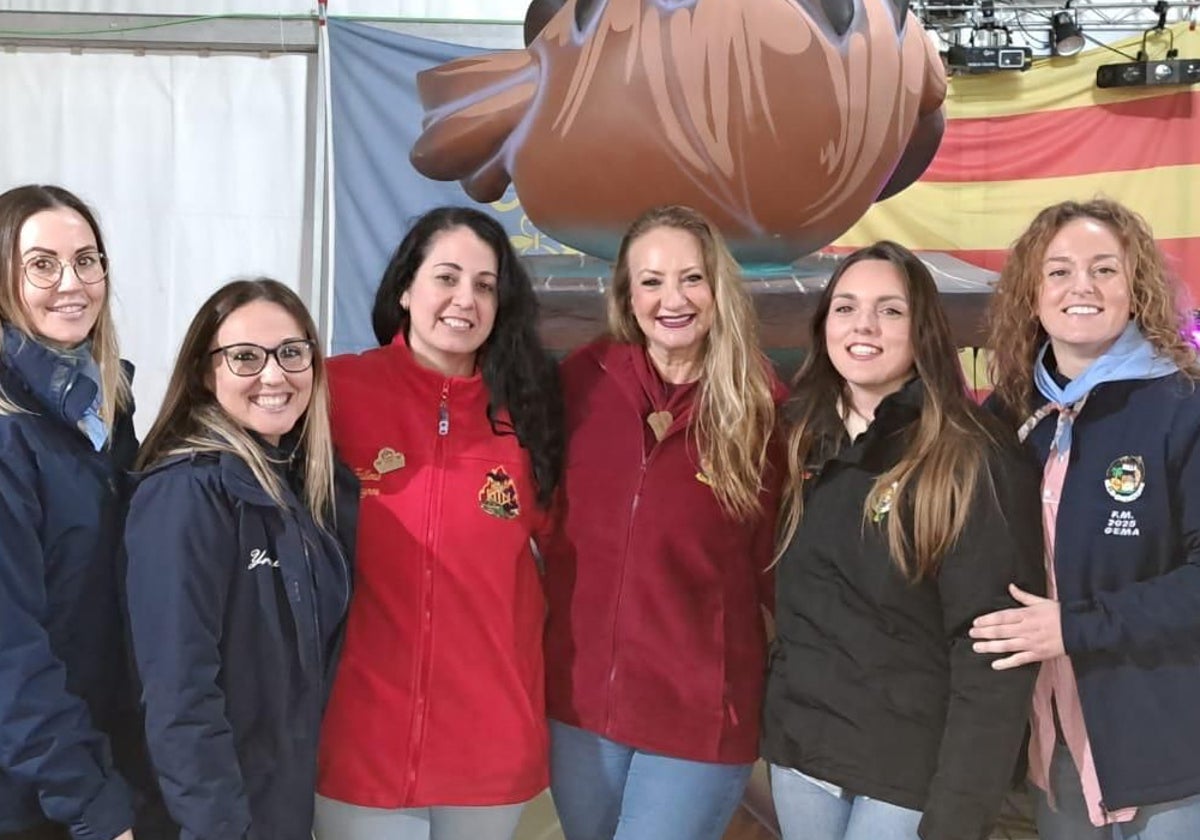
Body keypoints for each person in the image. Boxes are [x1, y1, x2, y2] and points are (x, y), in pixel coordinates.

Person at [762, 241, 1044, 840]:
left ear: (924, 331)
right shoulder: (795, 440)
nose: (864, 324)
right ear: (824, 325)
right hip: (803, 758)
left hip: (908, 774)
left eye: (890, 310)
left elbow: (994, 654)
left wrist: (960, 812)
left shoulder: (970, 456)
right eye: (846, 307)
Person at [314, 207, 564, 840]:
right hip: (359, 738)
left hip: (490, 744)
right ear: (405, 288)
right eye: (446, 277)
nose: (465, 299)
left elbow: (575, 558)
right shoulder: (331, 393)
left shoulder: (530, 413)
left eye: (485, 285)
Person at [540, 204, 781, 840]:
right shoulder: (578, 386)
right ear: (626, 294)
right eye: (651, 281)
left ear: (717, 288)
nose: (672, 298)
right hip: (580, 710)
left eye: (691, 278)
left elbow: (782, 569)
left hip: (698, 720)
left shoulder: (762, 408)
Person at [971, 199, 1200, 839]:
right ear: (1033, 293)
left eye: (1105, 270)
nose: (1083, 288)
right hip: (1055, 743)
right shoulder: (1009, 415)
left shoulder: (1181, 406)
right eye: (1060, 271)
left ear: (1136, 289)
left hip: (1165, 741)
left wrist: (1074, 626)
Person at [124, 278, 355, 840]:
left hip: (282, 805)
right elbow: (180, 696)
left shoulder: (301, 485)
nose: (273, 375)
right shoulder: (185, 495)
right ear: (207, 373)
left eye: (291, 353)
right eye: (245, 357)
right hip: (215, 819)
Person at [0, 185, 140, 840]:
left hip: (99, 759)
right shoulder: (9, 431)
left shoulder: (107, 405)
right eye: (42, 264)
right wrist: (91, 803)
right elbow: (9, 649)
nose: (72, 283)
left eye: (88, 260)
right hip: (34, 793)